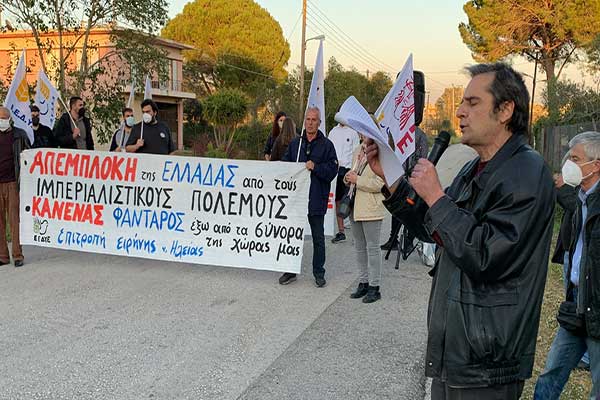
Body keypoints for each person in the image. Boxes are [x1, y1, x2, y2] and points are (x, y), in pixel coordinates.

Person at [365, 62, 555, 398]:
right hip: (456, 349)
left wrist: (437, 196)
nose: (460, 112)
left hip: (487, 363)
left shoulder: (527, 172)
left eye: (472, 102)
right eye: (462, 102)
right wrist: (392, 179)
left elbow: (486, 255)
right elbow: (433, 227)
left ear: (505, 110)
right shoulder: (474, 168)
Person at [534, 131, 600, 400]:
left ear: (596, 165)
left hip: (597, 308)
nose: (569, 164)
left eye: (575, 159)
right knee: (550, 375)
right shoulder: (581, 199)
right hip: (575, 305)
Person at [279, 107, 338, 288]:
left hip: (316, 198)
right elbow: (285, 166)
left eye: (314, 120)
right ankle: (290, 270)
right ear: (304, 121)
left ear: (319, 123)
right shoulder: (295, 144)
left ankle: (319, 272)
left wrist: (316, 167)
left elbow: (332, 170)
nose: (310, 123)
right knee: (291, 236)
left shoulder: (327, 145)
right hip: (296, 200)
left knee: (318, 238)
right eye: (308, 119)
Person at [381, 71, 429, 252]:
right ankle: (393, 239)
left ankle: (409, 240)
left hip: (413, 178)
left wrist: (414, 174)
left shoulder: (420, 136)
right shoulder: (395, 133)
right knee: (398, 209)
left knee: (412, 210)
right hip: (399, 177)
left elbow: (423, 157)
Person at [345, 139, 385, 303]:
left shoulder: (381, 153)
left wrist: (358, 180)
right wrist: (347, 177)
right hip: (354, 206)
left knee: (373, 248)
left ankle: (374, 287)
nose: (364, 134)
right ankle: (363, 282)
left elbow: (381, 183)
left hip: (371, 208)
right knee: (359, 247)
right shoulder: (358, 150)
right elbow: (353, 173)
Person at [0, 106, 30, 267]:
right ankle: (3, 256)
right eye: (0, 119)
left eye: (4, 118)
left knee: (14, 219)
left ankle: (17, 255)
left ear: (10, 119)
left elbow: (30, 156)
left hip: (13, 183)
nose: (2, 121)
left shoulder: (19, 135)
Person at [328, 122, 360, 244]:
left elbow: (356, 153)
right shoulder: (333, 132)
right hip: (335, 169)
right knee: (337, 201)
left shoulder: (353, 133)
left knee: (350, 201)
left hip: (348, 170)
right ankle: (341, 232)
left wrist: (354, 171)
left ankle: (357, 235)